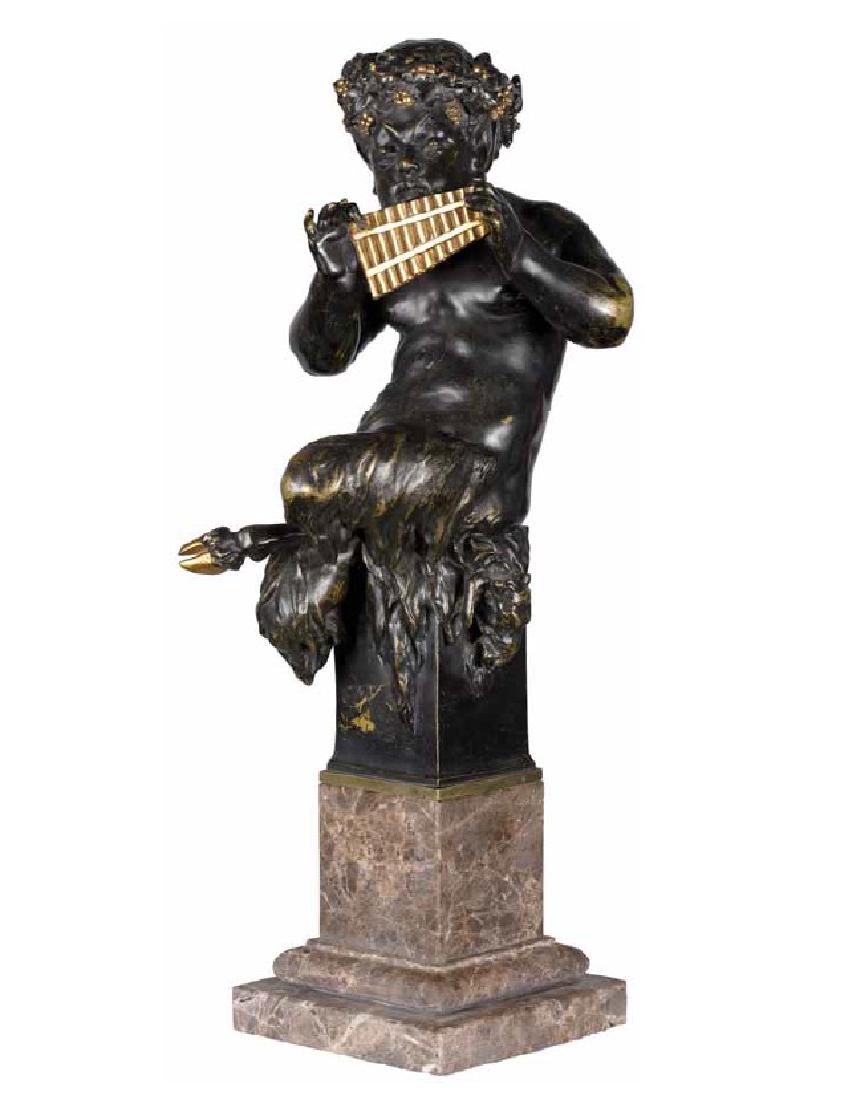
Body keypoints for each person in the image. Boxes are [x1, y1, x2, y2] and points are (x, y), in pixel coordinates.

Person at [179, 39, 633, 699]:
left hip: (476, 467)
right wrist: (335, 281)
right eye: (386, 148)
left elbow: (610, 316)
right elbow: (320, 356)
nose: (404, 164)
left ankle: (270, 546)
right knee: (311, 472)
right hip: (389, 446)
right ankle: (313, 569)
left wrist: (518, 252)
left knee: (331, 480)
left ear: (476, 144)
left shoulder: (540, 225)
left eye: (425, 142)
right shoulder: (395, 243)